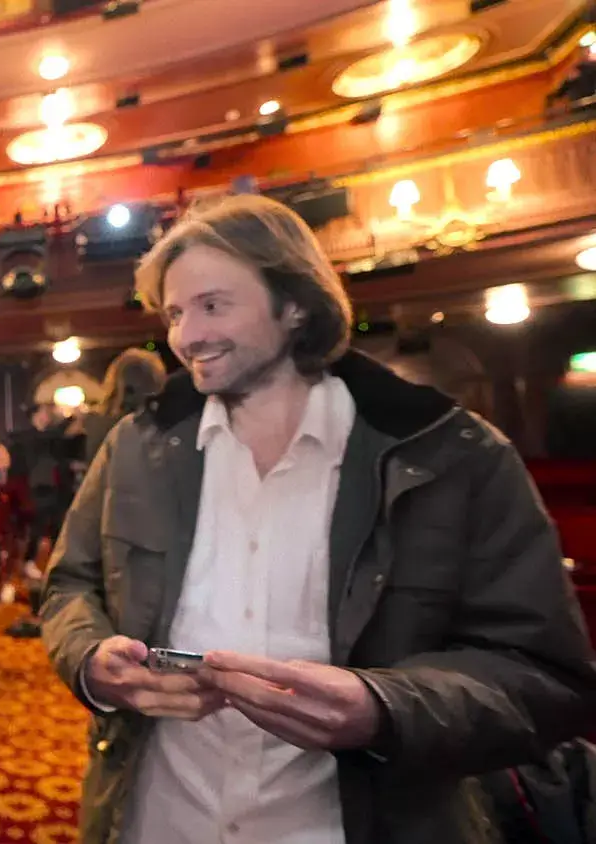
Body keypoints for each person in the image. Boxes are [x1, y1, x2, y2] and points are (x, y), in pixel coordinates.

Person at [40, 193, 596, 844]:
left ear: (295, 304)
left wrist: (383, 710)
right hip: (158, 818)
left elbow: (545, 675)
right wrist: (91, 662)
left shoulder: (451, 455)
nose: (186, 336)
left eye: (214, 305)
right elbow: (71, 586)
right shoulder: (135, 447)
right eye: (175, 313)